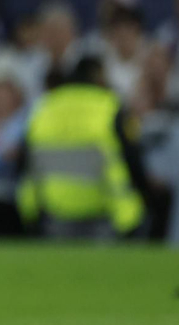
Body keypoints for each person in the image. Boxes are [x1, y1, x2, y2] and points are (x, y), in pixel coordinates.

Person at [17, 57, 151, 238]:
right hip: (107, 213)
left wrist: (30, 213)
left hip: (54, 213)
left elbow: (25, 161)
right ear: (97, 76)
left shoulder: (44, 106)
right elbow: (133, 158)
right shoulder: (109, 106)